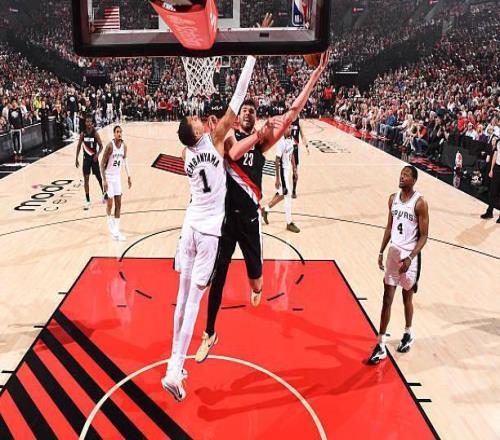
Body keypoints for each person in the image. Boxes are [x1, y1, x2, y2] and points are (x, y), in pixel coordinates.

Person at [194, 50, 330, 364]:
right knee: (218, 277)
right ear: (237, 116)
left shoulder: (263, 140)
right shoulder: (229, 139)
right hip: (226, 222)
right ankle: (209, 332)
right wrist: (257, 134)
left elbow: (292, 113)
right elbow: (234, 155)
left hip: (251, 222)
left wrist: (315, 75)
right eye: (245, 109)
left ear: (256, 116)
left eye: (253, 110)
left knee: (256, 281)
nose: (248, 113)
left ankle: (256, 285)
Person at [161, 41, 275, 401]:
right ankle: (174, 371)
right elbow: (238, 98)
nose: (198, 118)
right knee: (194, 301)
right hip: (210, 232)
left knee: (181, 299)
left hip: (189, 227)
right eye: (195, 121)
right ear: (198, 133)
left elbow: (192, 142)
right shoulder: (212, 140)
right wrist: (252, 57)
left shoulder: (186, 154)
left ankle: (174, 366)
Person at [368, 166, 429, 365]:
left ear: (414, 180)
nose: (402, 177)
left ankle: (408, 333)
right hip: (393, 253)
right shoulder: (392, 199)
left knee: (406, 298)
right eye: (401, 174)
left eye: (406, 175)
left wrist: (411, 257)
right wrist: (380, 251)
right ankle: (380, 344)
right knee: (387, 298)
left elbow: (424, 236)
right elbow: (389, 227)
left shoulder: (420, 203)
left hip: (410, 257)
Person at [261, 126, 300, 232]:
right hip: (282, 171)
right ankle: (289, 223)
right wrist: (278, 178)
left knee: (281, 194)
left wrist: (294, 169)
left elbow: (292, 154)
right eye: (288, 128)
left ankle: (265, 210)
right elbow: (277, 160)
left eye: (291, 127)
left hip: (288, 170)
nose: (290, 129)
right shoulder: (281, 142)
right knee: (287, 195)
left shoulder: (291, 139)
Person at [101, 126, 132, 240]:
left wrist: (129, 176)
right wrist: (104, 180)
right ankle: (108, 217)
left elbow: (125, 162)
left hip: (117, 177)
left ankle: (116, 231)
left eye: (120, 132)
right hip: (109, 177)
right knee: (110, 202)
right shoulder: (110, 146)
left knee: (119, 203)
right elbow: (102, 164)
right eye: (117, 132)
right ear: (114, 134)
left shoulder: (124, 146)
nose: (119, 133)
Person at [75, 115, 105, 210]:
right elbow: (79, 146)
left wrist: (97, 155)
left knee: (99, 177)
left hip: (94, 159)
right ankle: (88, 200)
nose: (88, 123)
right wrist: (76, 158)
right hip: (86, 159)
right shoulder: (83, 134)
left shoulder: (95, 133)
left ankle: (104, 193)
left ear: (92, 123)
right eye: (87, 121)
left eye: (90, 122)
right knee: (86, 179)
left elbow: (101, 146)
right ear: (85, 123)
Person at [480, 137, 500, 223]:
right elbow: (495, 154)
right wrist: (491, 169)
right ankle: (489, 212)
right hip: (497, 168)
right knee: (493, 191)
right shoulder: (498, 141)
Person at [290, 116, 309, 198]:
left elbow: (302, 136)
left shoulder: (299, 122)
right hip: (287, 147)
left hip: (294, 148)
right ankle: (283, 188)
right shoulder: (288, 120)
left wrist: (306, 145)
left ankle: (294, 190)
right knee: (284, 167)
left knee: (295, 169)